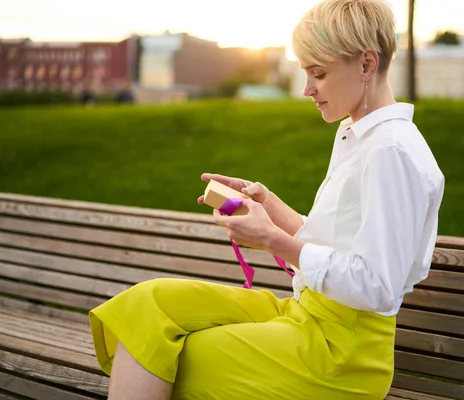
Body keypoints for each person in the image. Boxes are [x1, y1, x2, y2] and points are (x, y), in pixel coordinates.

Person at [88, 0, 444, 399]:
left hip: (341, 356)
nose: (308, 89)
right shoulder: (358, 135)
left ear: (366, 65)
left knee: (179, 352)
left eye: (319, 74)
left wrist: (274, 240)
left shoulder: (390, 152)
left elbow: (378, 284)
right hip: (307, 316)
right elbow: (336, 241)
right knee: (148, 304)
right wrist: (269, 205)